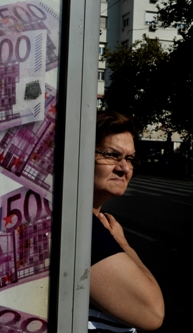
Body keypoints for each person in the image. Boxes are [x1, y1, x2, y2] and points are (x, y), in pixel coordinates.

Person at [89, 111, 164, 332]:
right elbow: (152, 313)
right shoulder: (80, 227)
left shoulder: (91, 221)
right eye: (112, 155)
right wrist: (123, 244)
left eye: (129, 158)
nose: (125, 168)